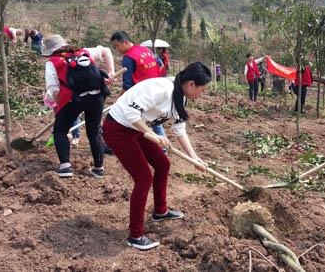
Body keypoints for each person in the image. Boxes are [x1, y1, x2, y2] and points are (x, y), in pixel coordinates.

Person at [102, 62, 211, 250]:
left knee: (163, 164)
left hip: (137, 129)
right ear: (191, 84)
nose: (201, 94)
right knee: (143, 178)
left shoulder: (180, 97)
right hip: (118, 129)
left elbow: (179, 129)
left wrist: (195, 158)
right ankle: (135, 235)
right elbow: (130, 112)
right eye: (202, 89)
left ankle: (160, 211)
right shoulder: (161, 89)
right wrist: (152, 134)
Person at [42, 35, 115, 178]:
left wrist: (59, 108)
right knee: (93, 132)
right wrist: (111, 72)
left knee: (60, 131)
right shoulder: (84, 52)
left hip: (73, 100)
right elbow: (106, 50)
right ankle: (98, 168)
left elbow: (54, 90)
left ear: (51, 51)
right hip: (97, 97)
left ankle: (65, 167)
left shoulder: (53, 62)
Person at [111, 31, 167, 141]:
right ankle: (163, 145)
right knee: (154, 118)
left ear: (125, 42)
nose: (117, 50)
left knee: (132, 117)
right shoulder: (146, 50)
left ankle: (154, 144)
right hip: (158, 88)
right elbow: (161, 65)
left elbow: (128, 84)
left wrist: (119, 99)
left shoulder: (128, 57)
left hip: (143, 93)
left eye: (117, 46)